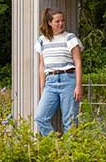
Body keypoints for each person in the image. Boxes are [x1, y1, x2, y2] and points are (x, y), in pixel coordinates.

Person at [35, 7, 83, 135]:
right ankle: (57, 147)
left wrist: (78, 86)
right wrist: (42, 88)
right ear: (50, 22)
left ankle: (70, 153)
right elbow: (42, 66)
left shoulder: (70, 38)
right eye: (57, 21)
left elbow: (78, 62)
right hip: (50, 82)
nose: (61, 24)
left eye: (62, 21)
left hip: (68, 80)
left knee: (70, 122)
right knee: (40, 118)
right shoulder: (41, 41)